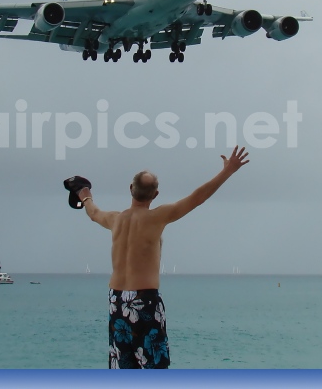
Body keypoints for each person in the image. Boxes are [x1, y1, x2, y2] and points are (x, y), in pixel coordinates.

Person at [76, 145, 250, 369]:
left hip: (116, 301)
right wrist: (228, 171)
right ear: (156, 195)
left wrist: (85, 195)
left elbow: (93, 213)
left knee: (122, 364)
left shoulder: (114, 219)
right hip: (144, 300)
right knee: (154, 367)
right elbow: (197, 198)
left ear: (131, 189)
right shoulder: (157, 217)